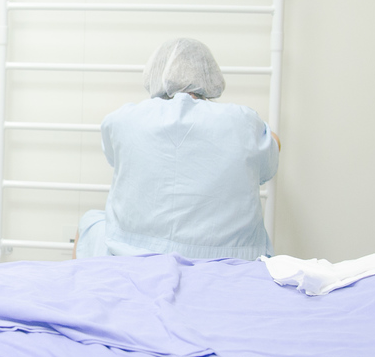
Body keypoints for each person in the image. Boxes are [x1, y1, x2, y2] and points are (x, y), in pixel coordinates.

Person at [74, 37, 280, 262]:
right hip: (230, 257)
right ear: (210, 75)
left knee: (89, 222)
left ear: (155, 73)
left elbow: (116, 158)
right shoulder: (243, 122)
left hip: (135, 253)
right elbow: (268, 165)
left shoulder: (122, 120)